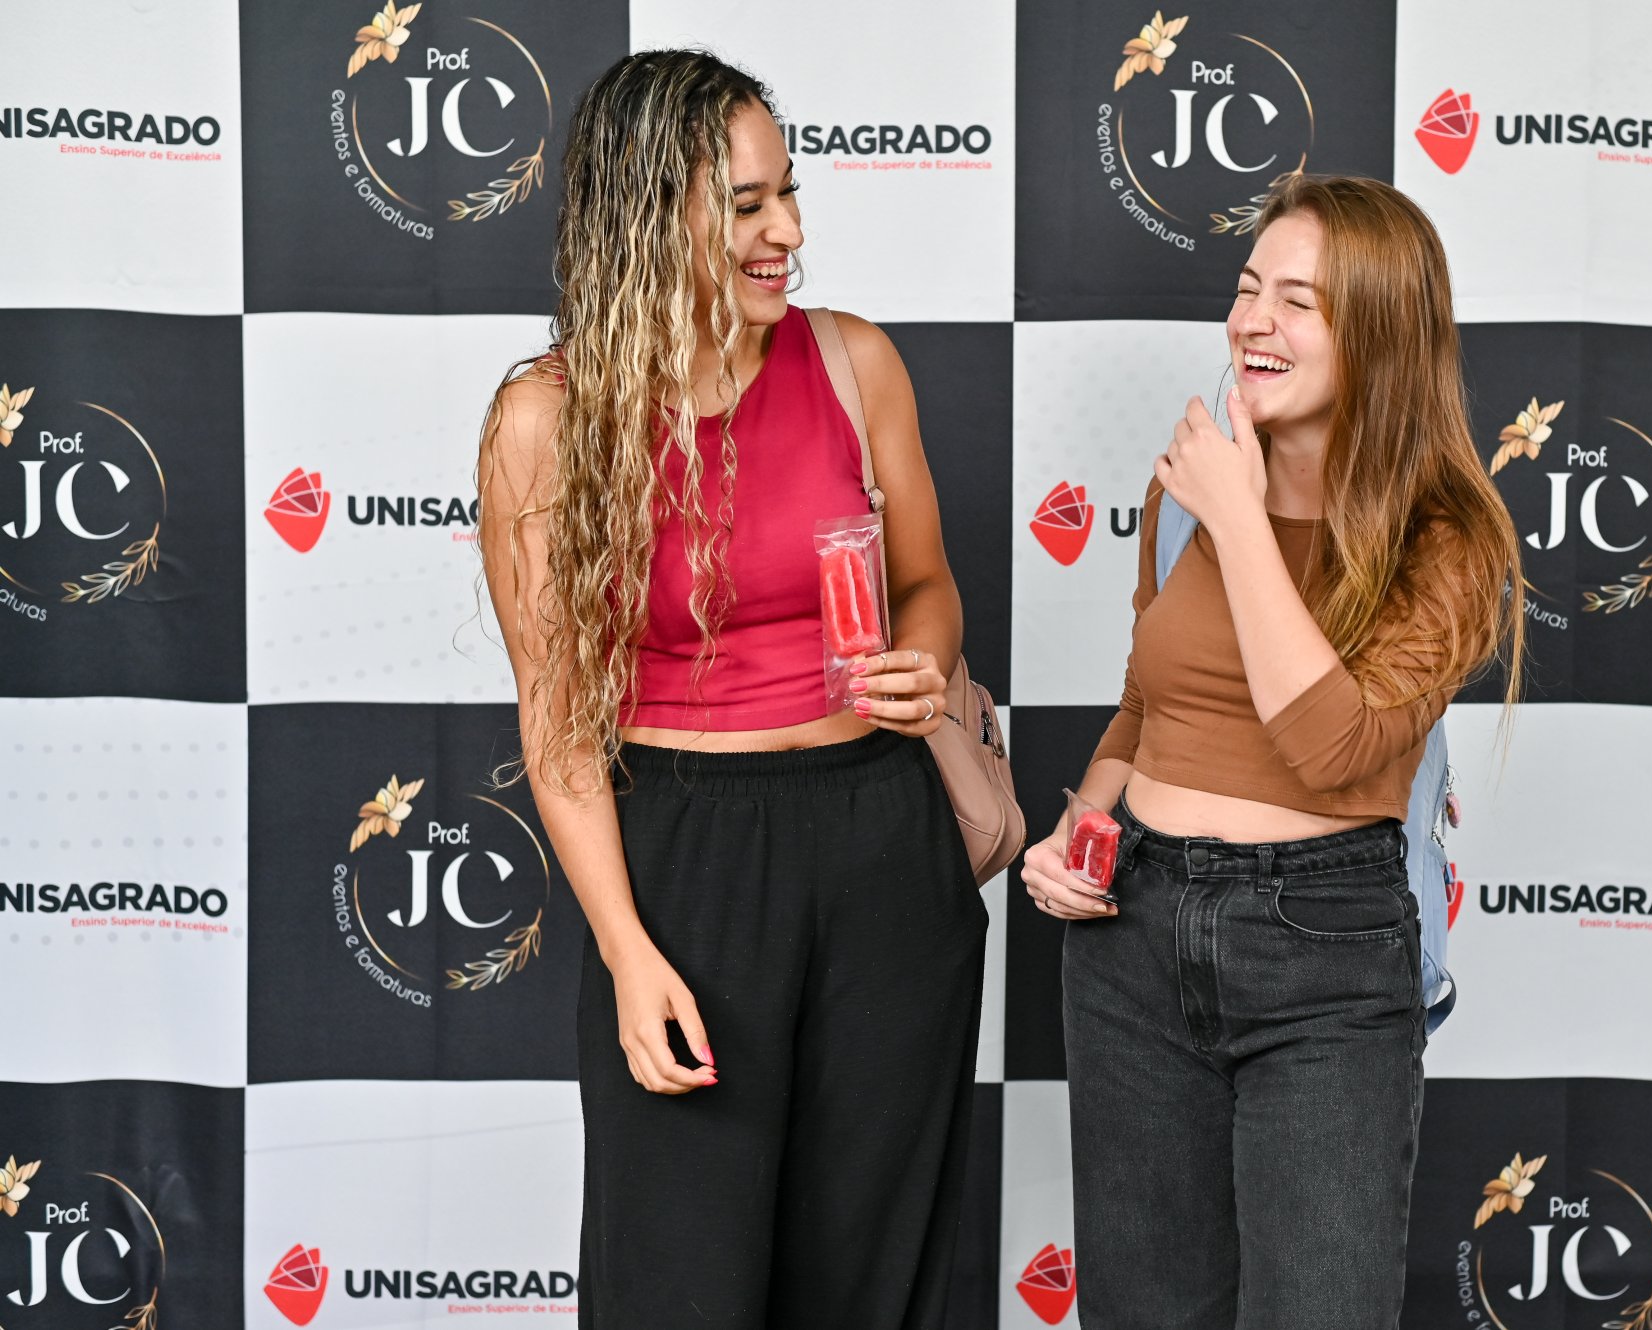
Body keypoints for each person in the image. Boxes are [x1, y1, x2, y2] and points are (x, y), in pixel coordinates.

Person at [476, 49, 984, 1329]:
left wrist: (922, 659)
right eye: (747, 205)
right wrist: (625, 947)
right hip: (683, 859)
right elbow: (556, 721)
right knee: (679, 1282)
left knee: (872, 1277)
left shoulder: (856, 361)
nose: (788, 233)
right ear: (648, 217)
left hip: (882, 839)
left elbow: (928, 584)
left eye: (788, 194)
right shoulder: (545, 419)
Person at [1020, 175, 1524, 1329]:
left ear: (1379, 333)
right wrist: (1077, 828)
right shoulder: (1182, 501)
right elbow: (1144, 708)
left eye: (1297, 302)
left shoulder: (1446, 539)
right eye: (1248, 289)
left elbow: (1331, 746)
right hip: (1131, 937)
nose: (1252, 320)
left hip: (1323, 955)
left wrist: (1241, 515)